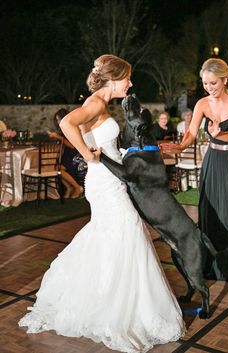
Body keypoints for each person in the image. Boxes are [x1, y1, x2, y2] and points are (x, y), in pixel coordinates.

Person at [18, 54, 185, 352]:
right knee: (128, 231)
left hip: (110, 179)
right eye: (128, 78)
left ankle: (112, 298)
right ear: (113, 78)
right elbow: (67, 123)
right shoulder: (95, 103)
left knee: (113, 235)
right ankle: (120, 308)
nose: (131, 83)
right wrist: (85, 153)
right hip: (103, 182)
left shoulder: (101, 104)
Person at [161, 58, 228, 283]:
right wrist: (180, 146)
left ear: (225, 79)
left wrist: (219, 134)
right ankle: (214, 267)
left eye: (213, 83)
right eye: (205, 83)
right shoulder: (203, 104)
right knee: (211, 211)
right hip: (212, 160)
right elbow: (192, 133)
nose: (209, 88)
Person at [47, 108, 84, 198]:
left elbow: (72, 146)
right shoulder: (64, 129)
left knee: (58, 169)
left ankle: (78, 188)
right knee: (56, 168)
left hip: (75, 156)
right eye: (57, 120)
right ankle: (69, 188)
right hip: (67, 155)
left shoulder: (72, 128)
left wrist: (59, 138)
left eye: (59, 119)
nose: (58, 122)